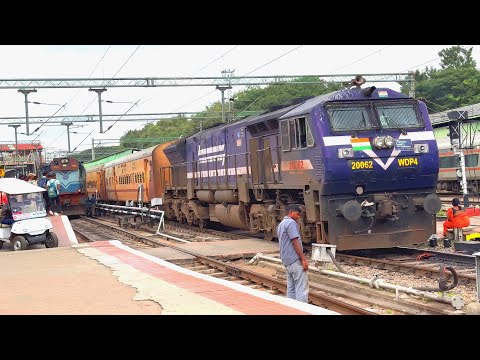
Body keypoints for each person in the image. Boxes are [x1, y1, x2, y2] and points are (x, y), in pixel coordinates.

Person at [276, 204, 309, 303]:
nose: (299, 217)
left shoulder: (281, 224)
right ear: (291, 213)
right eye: (298, 214)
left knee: (291, 288)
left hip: (286, 260)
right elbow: (295, 241)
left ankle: (291, 309)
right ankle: (302, 310)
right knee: (301, 288)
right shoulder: (291, 223)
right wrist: (303, 259)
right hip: (294, 259)